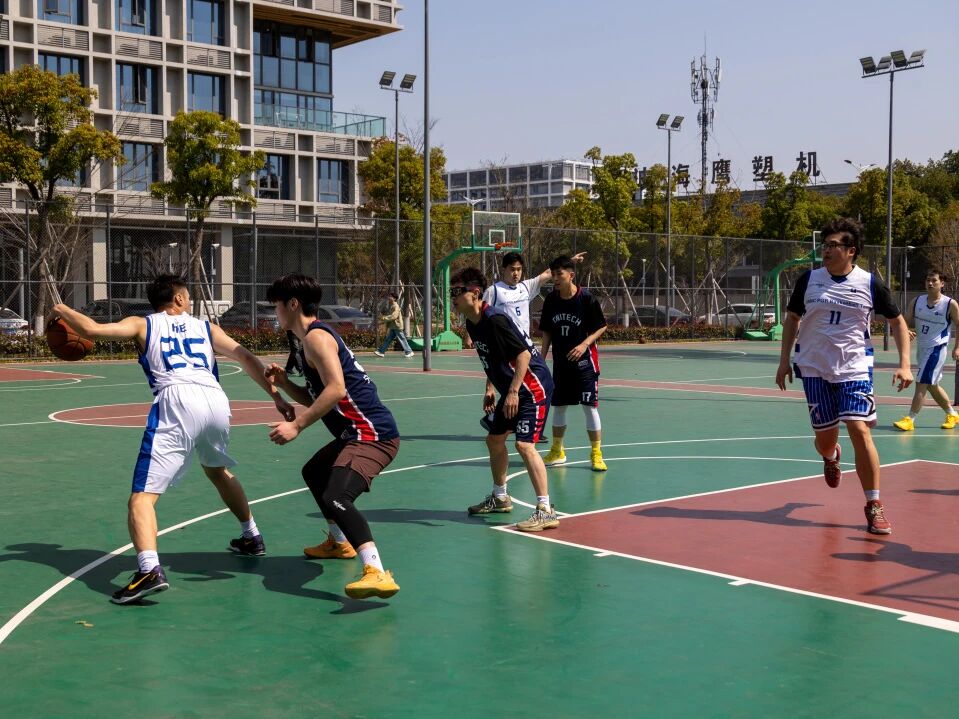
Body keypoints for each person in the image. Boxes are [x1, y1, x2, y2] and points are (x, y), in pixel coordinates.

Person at [52, 275, 295, 604]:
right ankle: (251, 535)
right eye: (188, 295)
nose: (190, 300)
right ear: (178, 299)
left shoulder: (142, 324)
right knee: (217, 471)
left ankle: (149, 569)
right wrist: (276, 397)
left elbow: (91, 331)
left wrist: (61, 307)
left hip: (176, 400)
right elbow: (247, 359)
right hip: (215, 401)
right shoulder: (206, 328)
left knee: (141, 498)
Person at [264, 273, 401, 599]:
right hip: (353, 433)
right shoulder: (302, 343)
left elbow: (337, 389)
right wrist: (285, 386)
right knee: (314, 471)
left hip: (372, 434)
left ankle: (377, 572)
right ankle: (339, 543)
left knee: (337, 497)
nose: (275, 312)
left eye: (277, 305)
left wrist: (297, 426)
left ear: (293, 304)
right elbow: (320, 399)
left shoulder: (316, 338)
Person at [776, 218, 912, 535]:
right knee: (826, 440)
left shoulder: (870, 283)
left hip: (854, 365)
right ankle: (831, 455)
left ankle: (873, 505)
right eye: (824, 245)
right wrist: (784, 361)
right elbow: (792, 319)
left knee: (859, 429)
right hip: (814, 366)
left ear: (851, 251)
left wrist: (905, 364)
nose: (825, 250)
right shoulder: (808, 280)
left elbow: (898, 322)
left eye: (833, 245)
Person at [451, 266, 559, 532]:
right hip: (513, 387)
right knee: (495, 439)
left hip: (532, 387)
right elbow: (493, 359)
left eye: (457, 291)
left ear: (475, 293)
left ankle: (546, 510)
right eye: (451, 292)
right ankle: (500, 497)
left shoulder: (495, 319)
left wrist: (511, 392)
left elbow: (523, 355)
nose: (452, 296)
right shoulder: (472, 323)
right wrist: (490, 388)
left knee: (524, 445)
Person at [472, 250, 586, 442]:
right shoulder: (495, 291)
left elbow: (546, 275)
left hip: (524, 347)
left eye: (519, 269)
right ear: (503, 270)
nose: (515, 273)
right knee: (518, 385)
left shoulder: (526, 287)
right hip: (505, 347)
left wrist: (570, 261)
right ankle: (507, 421)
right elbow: (479, 313)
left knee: (534, 387)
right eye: (512, 269)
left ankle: (523, 425)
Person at [539, 255, 609, 472]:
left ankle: (596, 453)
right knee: (558, 407)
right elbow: (547, 332)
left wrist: (584, 344)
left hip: (585, 364)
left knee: (589, 408)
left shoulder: (586, 299)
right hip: (561, 364)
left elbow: (601, 326)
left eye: (559, 274)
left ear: (571, 275)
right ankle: (558, 450)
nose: (555, 279)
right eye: (553, 275)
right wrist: (542, 359)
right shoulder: (551, 300)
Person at [892, 269, 959, 431]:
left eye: (934, 281)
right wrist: (906, 329)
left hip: (937, 349)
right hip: (922, 349)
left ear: (942, 284)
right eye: (928, 280)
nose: (930, 283)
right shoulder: (917, 301)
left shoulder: (950, 304)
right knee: (932, 385)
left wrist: (957, 347)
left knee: (922, 382)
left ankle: (910, 419)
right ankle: (952, 414)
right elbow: (905, 321)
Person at [374, 291, 413, 358]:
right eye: (389, 296)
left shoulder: (395, 306)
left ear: (394, 299)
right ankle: (381, 352)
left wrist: (383, 318)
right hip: (393, 326)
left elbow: (393, 316)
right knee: (388, 339)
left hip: (397, 326)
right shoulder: (392, 306)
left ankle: (409, 351)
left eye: (391, 297)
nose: (389, 298)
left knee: (402, 339)